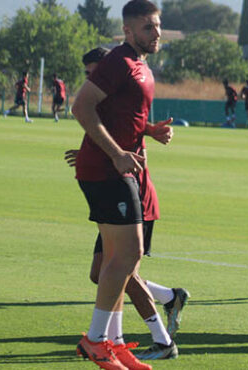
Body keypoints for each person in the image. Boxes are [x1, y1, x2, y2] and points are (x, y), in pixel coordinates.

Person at [66, 46, 189, 361]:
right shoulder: (109, 106)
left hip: (137, 198)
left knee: (123, 269)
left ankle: (160, 340)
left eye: (95, 72)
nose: (92, 79)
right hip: (113, 189)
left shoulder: (121, 93)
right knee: (104, 271)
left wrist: (142, 137)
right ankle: (126, 332)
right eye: (88, 74)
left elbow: (135, 151)